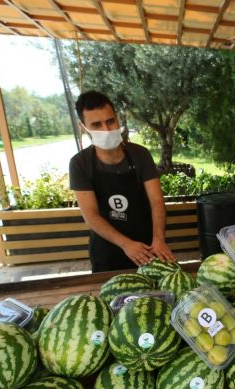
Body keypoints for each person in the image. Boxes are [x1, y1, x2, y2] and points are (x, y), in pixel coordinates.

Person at [69, 90, 174, 272]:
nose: (106, 130)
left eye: (110, 121)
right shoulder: (80, 163)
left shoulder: (140, 155)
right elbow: (91, 216)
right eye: (96, 125)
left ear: (117, 119)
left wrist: (159, 239)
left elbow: (156, 201)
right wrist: (126, 244)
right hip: (107, 253)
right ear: (83, 127)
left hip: (148, 249)